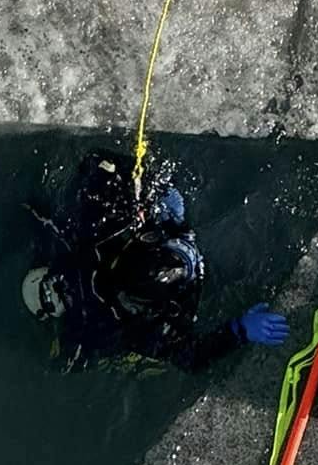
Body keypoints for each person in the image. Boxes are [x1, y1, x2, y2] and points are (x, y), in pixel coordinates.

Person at [23, 152, 287, 373]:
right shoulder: (123, 325)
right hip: (158, 287)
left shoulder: (90, 248)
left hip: (154, 254)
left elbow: (95, 169)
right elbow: (192, 358)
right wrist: (238, 330)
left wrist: (140, 184)